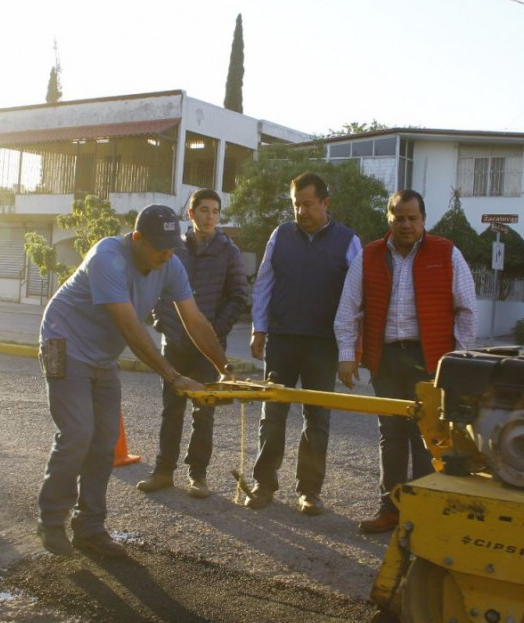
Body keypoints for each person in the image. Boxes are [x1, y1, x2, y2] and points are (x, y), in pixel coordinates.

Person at [35, 204, 233, 558]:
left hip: (101, 355)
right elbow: (130, 327)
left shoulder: (169, 262)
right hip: (62, 343)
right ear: (137, 238)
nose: (168, 254)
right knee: (78, 434)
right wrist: (173, 376)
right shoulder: (108, 257)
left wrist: (224, 368)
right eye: (160, 246)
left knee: (105, 440)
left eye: (172, 246)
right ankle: (51, 520)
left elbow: (195, 320)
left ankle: (90, 528)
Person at [334, 190, 477, 534]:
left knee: (427, 436)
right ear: (389, 219)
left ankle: (424, 514)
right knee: (391, 434)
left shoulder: (446, 253)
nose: (406, 224)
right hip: (385, 360)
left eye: (413, 218)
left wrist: (457, 362)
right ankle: (391, 508)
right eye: (399, 217)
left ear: (424, 220)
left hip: (429, 360)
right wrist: (346, 356)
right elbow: (348, 309)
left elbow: (467, 309)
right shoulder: (369, 256)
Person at [247, 172, 363, 515]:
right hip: (282, 340)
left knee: (317, 419)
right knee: (273, 415)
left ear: (325, 203)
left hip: (323, 345)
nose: (301, 211)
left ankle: (309, 492)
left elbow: (357, 298)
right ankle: (263, 484)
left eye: (308, 205)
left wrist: (349, 351)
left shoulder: (348, 241)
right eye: (296, 205)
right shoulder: (280, 236)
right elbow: (264, 283)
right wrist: (259, 329)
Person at [137, 190, 249, 499]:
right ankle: (162, 472)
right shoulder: (175, 248)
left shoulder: (229, 252)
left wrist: (215, 330)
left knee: (204, 413)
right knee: (171, 411)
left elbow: (238, 295)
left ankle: (197, 476)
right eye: (203, 210)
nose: (209, 216)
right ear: (191, 214)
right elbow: (157, 286)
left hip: (207, 349)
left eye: (215, 211)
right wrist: (163, 322)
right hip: (173, 342)